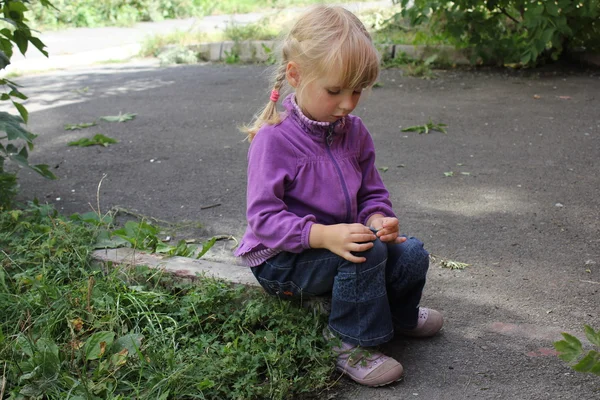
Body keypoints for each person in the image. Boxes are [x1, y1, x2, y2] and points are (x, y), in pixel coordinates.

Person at [235, 5, 443, 387]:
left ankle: (398, 317)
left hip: (342, 245)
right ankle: (350, 344)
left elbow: (371, 191)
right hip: (285, 260)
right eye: (335, 91)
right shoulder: (274, 139)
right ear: (296, 75)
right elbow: (264, 221)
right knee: (367, 253)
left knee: (411, 251)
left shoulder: (355, 131)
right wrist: (325, 235)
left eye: (357, 91)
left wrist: (378, 219)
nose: (347, 103)